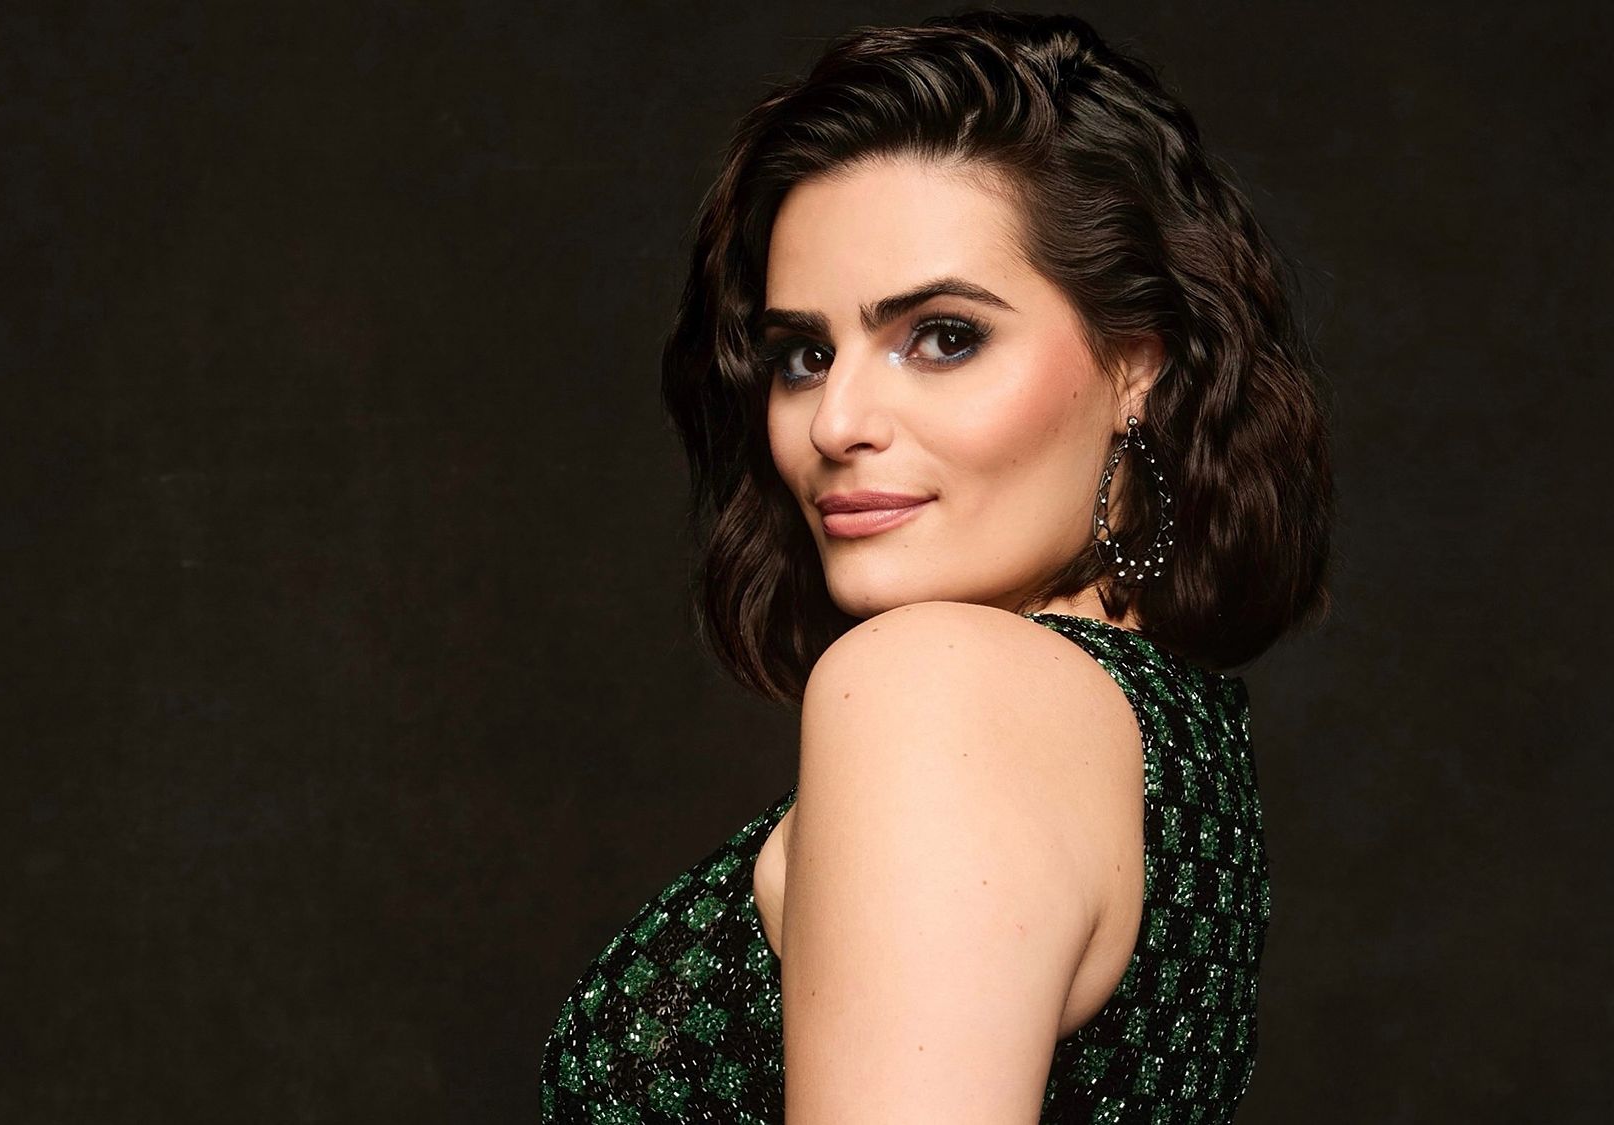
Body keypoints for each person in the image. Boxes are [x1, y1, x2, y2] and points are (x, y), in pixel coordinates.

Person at [538, 9, 1332, 1123]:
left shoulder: (932, 686)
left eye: (943, 336)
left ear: (1135, 367)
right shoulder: (1171, 741)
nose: (835, 422)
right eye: (803, 355)